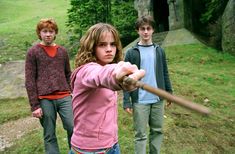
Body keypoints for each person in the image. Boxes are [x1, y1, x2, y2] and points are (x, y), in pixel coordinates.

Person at [69, 23, 145, 154]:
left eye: (113, 44)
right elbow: (102, 75)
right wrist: (117, 74)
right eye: (102, 44)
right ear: (91, 47)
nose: (109, 49)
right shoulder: (85, 71)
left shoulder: (106, 66)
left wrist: (126, 80)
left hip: (112, 145)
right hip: (89, 150)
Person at [122, 15, 173, 154]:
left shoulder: (159, 51)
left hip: (158, 99)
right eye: (142, 29)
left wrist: (169, 92)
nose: (145, 32)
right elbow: (125, 79)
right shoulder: (131, 53)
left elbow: (165, 73)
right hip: (140, 100)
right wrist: (127, 101)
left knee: (157, 131)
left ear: (153, 30)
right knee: (140, 134)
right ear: (137, 31)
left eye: (148, 28)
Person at [25, 18, 74, 154]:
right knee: (49, 133)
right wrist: (35, 105)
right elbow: (30, 79)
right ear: (39, 33)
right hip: (44, 99)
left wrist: (72, 91)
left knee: (73, 127)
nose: (48, 34)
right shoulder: (33, 52)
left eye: (51, 31)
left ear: (55, 33)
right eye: (44, 31)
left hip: (64, 96)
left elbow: (68, 73)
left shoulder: (62, 51)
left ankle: (75, 151)